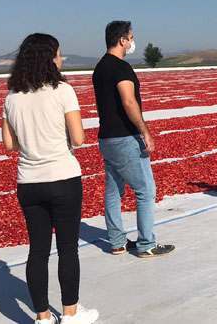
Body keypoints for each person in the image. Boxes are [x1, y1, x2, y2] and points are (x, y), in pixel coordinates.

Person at [2, 33, 99, 324]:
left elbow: (10, 144)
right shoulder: (62, 91)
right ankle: (70, 312)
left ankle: (43, 317)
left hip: (28, 182)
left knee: (38, 250)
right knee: (67, 248)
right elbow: (79, 139)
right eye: (58, 54)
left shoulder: (12, 96)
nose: (61, 59)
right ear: (48, 58)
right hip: (62, 178)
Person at [92, 21, 174, 257]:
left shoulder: (100, 68)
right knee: (145, 190)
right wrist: (145, 131)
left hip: (106, 138)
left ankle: (117, 242)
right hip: (125, 137)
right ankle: (146, 244)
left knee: (113, 190)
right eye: (130, 37)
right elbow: (129, 101)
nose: (132, 41)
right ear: (121, 40)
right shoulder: (121, 68)